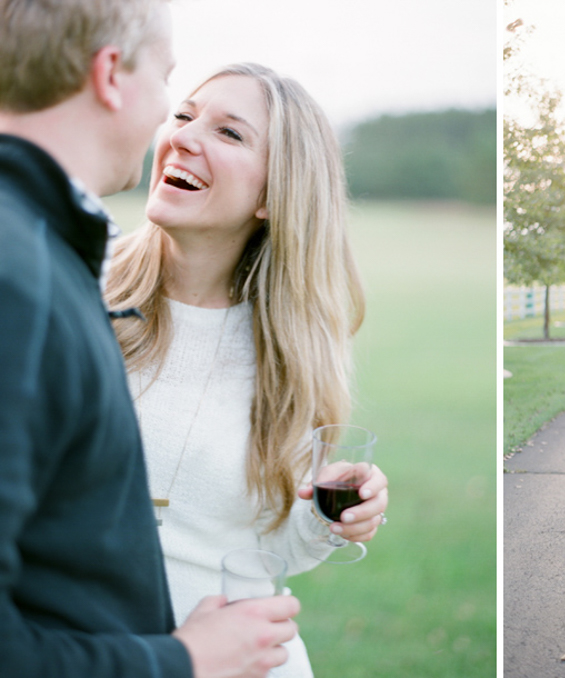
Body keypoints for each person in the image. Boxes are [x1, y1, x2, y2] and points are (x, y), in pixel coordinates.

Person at [0, 2, 300, 677]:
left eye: (227, 130)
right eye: (172, 89)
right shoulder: (22, 278)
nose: (174, 125)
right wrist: (180, 661)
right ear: (111, 75)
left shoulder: (49, 258)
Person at [104, 63, 390, 677]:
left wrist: (325, 517)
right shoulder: (77, 283)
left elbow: (269, 549)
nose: (181, 136)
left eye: (229, 133)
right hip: (91, 652)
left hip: (245, 660)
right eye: (183, 115)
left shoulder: (295, 348)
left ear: (272, 195)